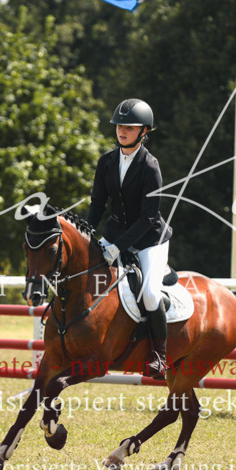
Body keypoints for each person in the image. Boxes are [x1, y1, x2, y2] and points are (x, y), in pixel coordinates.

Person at [86, 98, 173, 378]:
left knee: (149, 293)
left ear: (143, 131)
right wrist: (87, 233)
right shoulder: (107, 161)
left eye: (129, 127)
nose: (122, 131)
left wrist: (118, 247)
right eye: (119, 126)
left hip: (150, 239)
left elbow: (149, 217)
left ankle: (159, 354)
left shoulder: (150, 166)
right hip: (114, 234)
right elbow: (98, 204)